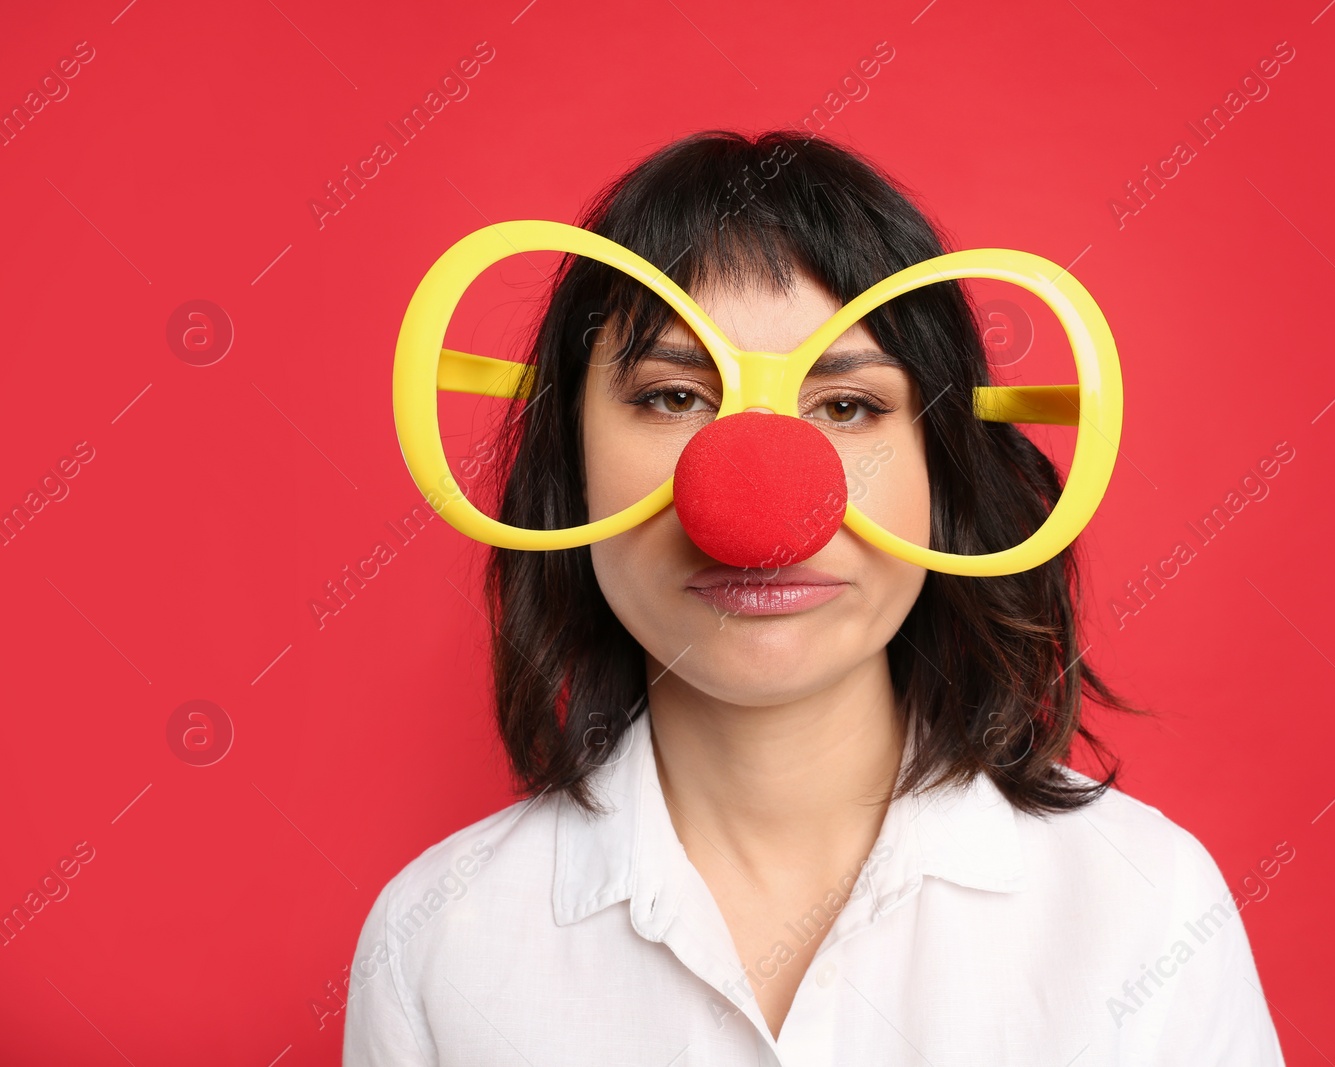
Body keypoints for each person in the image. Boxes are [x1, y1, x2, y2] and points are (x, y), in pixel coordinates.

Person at [343, 128, 1286, 1065]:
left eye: (847, 406)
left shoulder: (1147, 907)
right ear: (571, 464)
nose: (760, 501)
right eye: (675, 397)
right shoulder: (435, 946)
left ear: (943, 471)